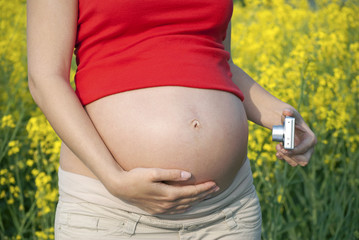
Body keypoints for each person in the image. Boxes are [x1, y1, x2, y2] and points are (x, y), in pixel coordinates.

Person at [27, 0, 316, 239]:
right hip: (115, 211)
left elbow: (216, 59)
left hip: (226, 212)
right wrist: (114, 179)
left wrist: (278, 112)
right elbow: (45, 78)